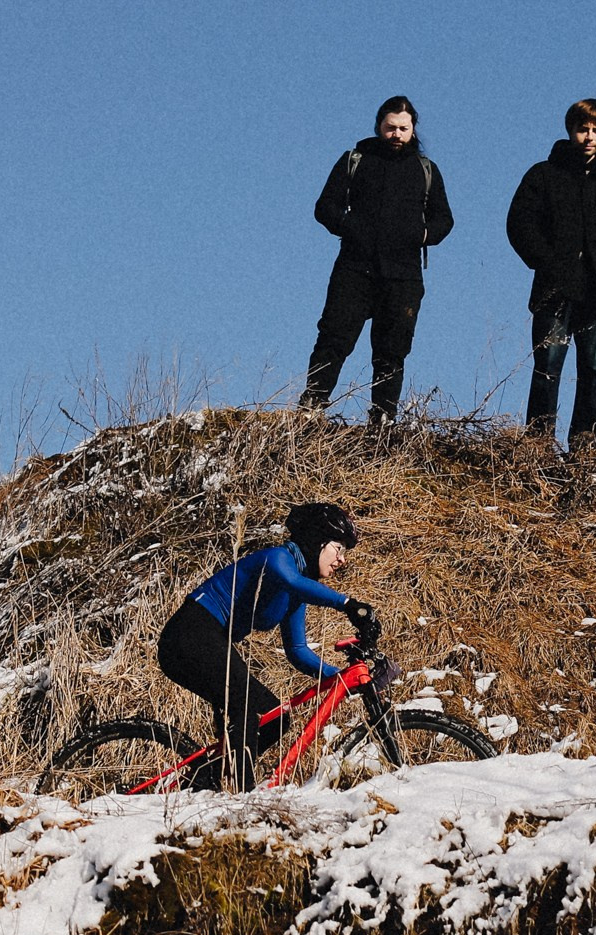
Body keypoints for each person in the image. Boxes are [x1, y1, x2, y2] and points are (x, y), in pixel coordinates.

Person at [158, 503, 375, 790]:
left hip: (210, 641)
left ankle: (206, 777)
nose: (342, 560)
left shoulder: (297, 592)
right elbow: (291, 580)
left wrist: (337, 678)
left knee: (275, 719)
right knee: (244, 701)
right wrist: (347, 604)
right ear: (317, 541)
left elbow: (297, 651)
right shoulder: (278, 560)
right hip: (189, 635)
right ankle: (243, 796)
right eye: (338, 548)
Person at [505, 98, 596, 449]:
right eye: (583, 129)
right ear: (570, 130)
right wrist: (547, 262)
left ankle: (587, 444)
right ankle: (538, 442)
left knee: (595, 369)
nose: (589, 137)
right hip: (556, 287)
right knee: (548, 363)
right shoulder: (544, 174)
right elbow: (519, 222)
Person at [302, 96, 455, 425]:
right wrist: (350, 227)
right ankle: (311, 407)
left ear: (413, 130)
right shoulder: (355, 160)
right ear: (379, 127)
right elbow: (325, 206)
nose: (396, 134)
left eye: (403, 128)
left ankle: (383, 417)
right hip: (354, 268)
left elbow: (445, 220)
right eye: (390, 128)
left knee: (392, 350)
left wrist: (420, 235)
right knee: (334, 338)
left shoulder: (426, 170)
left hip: (403, 275)